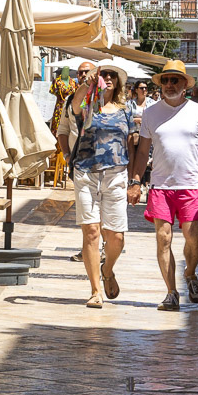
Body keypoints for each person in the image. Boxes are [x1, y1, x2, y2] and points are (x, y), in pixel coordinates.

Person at [131, 59, 198, 311]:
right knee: (163, 238)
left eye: (175, 80)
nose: (170, 84)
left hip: (191, 185)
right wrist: (135, 182)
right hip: (160, 186)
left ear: (184, 84)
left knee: (193, 237)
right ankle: (171, 292)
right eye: (166, 80)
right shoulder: (150, 113)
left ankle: (190, 274)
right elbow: (141, 152)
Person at [62, 65, 133, 308]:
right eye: (105, 75)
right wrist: (87, 83)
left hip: (116, 175)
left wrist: (135, 180)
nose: (109, 79)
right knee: (91, 231)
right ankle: (95, 291)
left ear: (118, 83)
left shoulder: (125, 110)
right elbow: (74, 104)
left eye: (113, 75)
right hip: (86, 173)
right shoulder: (86, 107)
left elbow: (131, 144)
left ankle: (108, 269)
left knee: (117, 237)